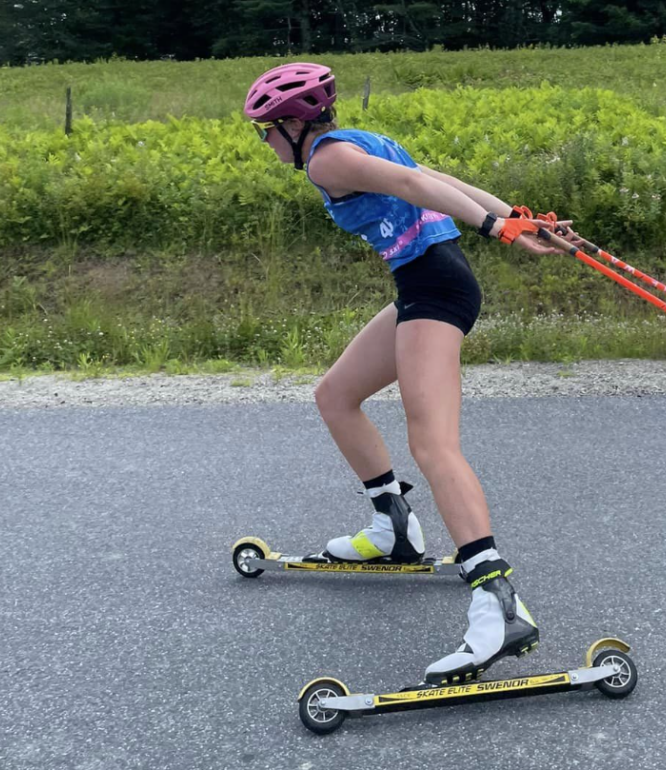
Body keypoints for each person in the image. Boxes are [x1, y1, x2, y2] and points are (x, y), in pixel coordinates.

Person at [244, 62, 572, 685]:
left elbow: (414, 184)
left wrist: (498, 226)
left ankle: (498, 605)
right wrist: (517, 218)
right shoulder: (358, 141)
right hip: (423, 285)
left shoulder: (326, 160)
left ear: (293, 125)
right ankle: (392, 526)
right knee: (336, 395)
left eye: (266, 130)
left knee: (433, 444)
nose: (265, 142)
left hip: (434, 288)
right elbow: (435, 178)